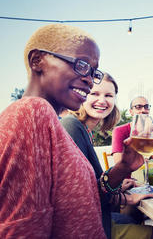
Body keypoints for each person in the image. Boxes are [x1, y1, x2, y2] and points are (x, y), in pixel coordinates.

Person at [0, 24, 111, 237]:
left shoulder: (50, 122)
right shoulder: (32, 111)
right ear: (37, 61)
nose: (89, 79)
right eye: (81, 65)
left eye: (93, 72)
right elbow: (24, 230)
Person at [61, 73, 153, 239]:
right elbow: (80, 197)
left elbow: (95, 187)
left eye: (109, 95)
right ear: (83, 95)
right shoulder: (71, 126)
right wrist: (128, 198)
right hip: (89, 229)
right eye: (94, 94)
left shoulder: (85, 131)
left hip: (101, 219)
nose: (102, 101)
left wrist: (122, 176)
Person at [112, 96, 151, 163]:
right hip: (130, 173)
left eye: (146, 107)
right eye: (138, 107)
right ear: (131, 112)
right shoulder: (120, 131)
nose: (143, 110)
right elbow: (118, 162)